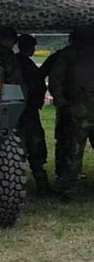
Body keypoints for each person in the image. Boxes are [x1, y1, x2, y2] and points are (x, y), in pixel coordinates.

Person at [49, 26, 94, 200]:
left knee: (74, 150)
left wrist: (61, 102)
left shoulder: (69, 54)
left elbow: (55, 79)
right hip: (80, 108)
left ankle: (70, 189)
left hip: (77, 110)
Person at [16, 34, 50, 194]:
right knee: (34, 146)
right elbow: (37, 85)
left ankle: (19, 186)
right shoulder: (26, 64)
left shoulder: (16, 61)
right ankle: (41, 185)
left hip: (20, 110)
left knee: (24, 146)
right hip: (27, 111)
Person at [40, 32, 75, 181]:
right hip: (70, 103)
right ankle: (64, 173)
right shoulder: (65, 55)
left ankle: (64, 173)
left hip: (68, 104)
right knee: (65, 139)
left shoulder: (64, 55)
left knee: (65, 140)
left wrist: (59, 99)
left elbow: (46, 74)